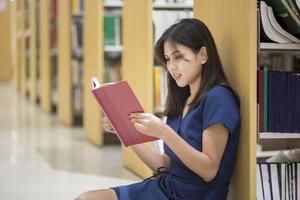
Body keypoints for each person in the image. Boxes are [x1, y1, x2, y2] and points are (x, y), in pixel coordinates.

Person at [75, 18, 240, 200]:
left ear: (202, 55)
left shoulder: (219, 98)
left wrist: (164, 132)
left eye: (178, 57)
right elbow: (165, 167)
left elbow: (209, 170)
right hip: (167, 188)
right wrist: (125, 131)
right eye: (168, 59)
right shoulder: (181, 100)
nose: (172, 67)